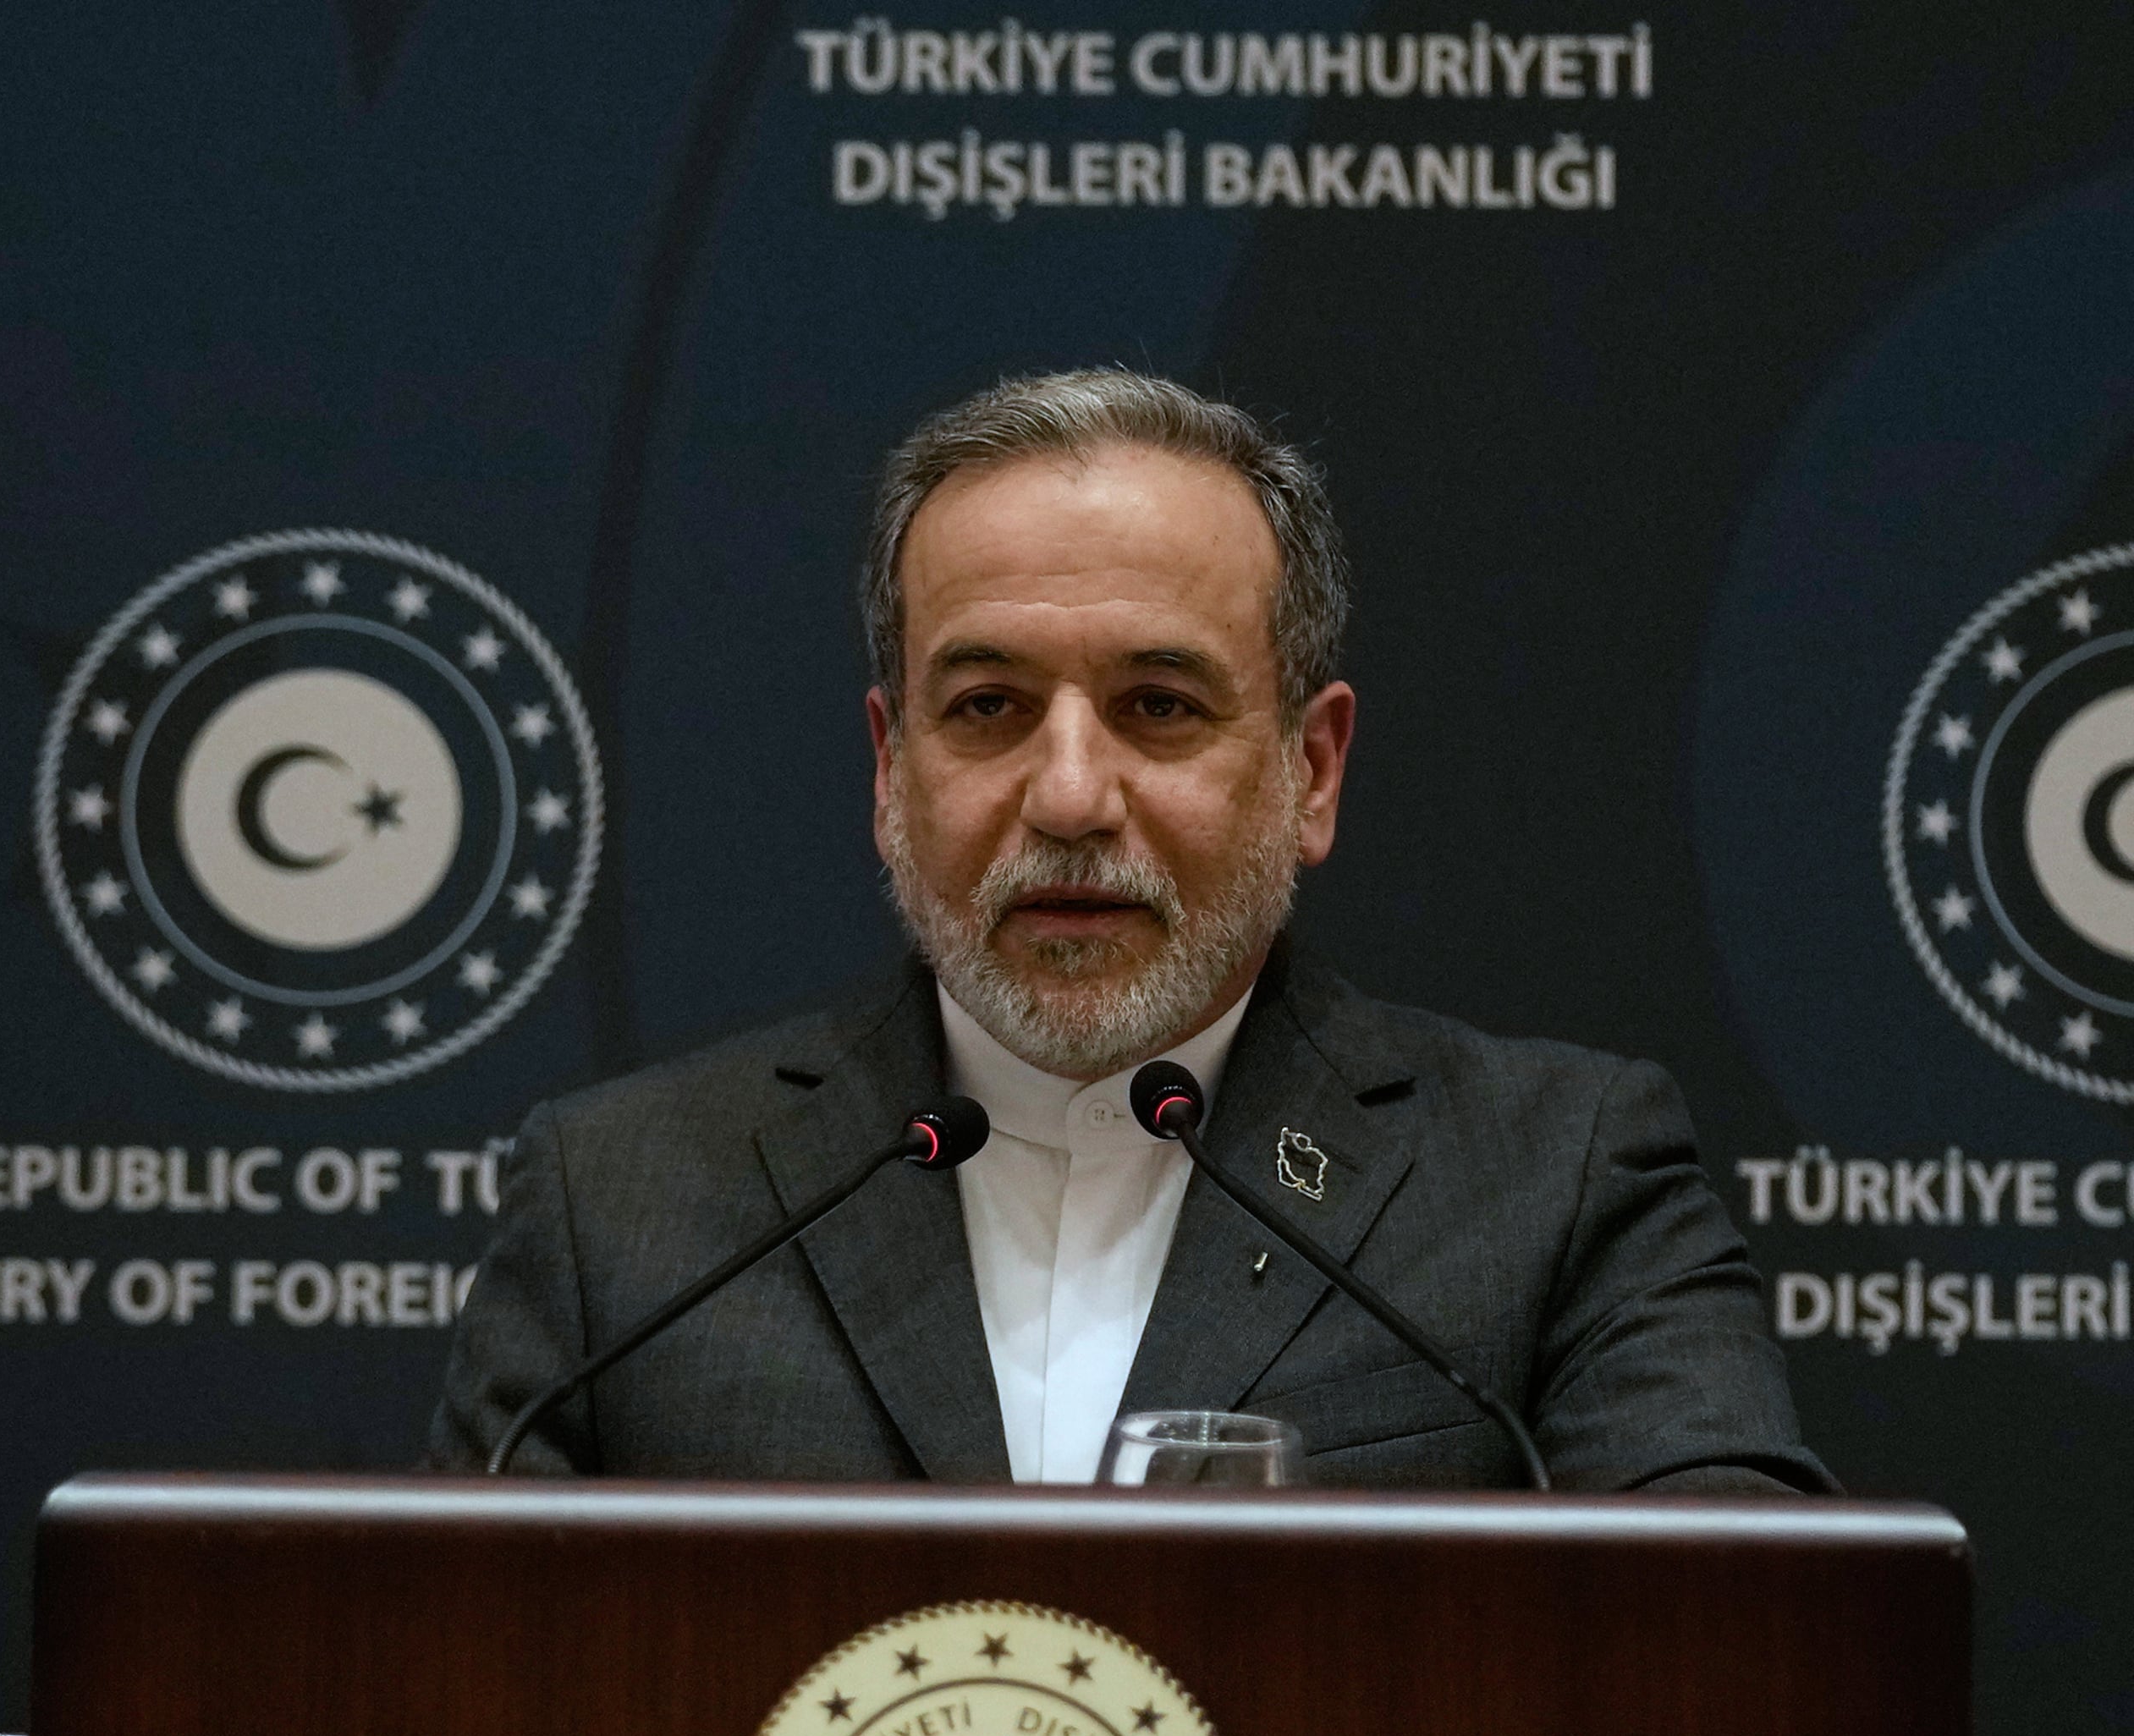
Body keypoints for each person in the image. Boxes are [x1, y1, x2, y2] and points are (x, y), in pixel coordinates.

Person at [427, 370, 1829, 1492]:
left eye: (1161, 706)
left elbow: (1751, 1656)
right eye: (987, 707)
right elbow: (448, 1695)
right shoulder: (623, 1208)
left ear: (1312, 771)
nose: (1072, 794)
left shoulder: (1555, 1180)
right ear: (887, 767)